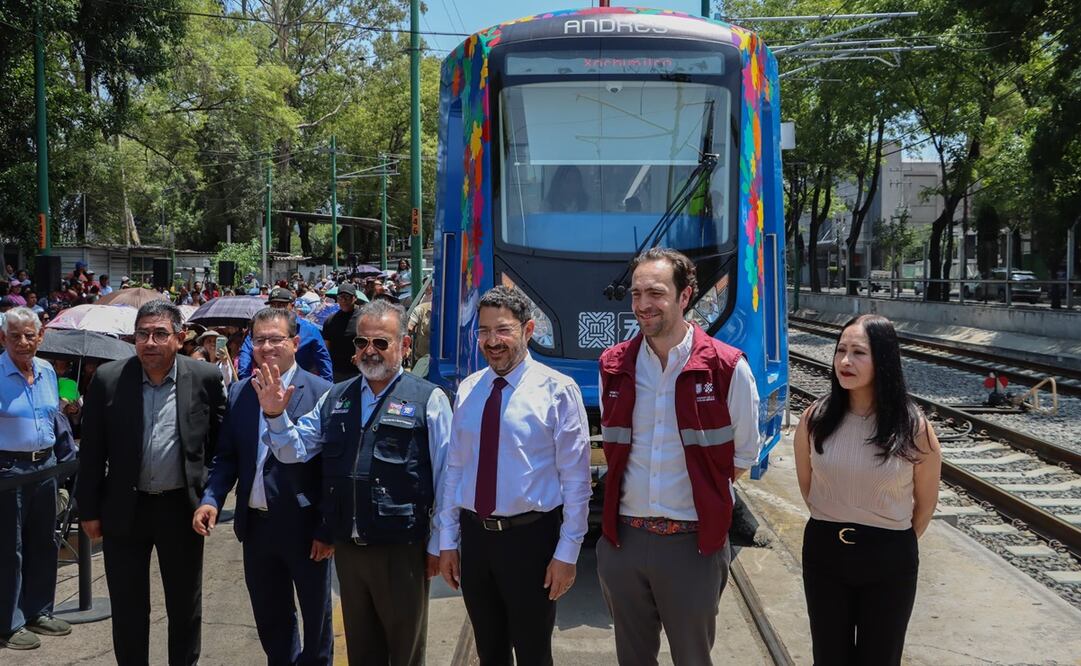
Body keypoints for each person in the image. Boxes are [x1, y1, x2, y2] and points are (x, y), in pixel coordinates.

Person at [257, 298, 451, 666]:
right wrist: (275, 415)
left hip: (402, 550)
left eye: (381, 342)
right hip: (348, 549)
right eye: (362, 342)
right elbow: (293, 450)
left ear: (404, 345)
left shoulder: (428, 399)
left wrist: (441, 543)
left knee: (405, 653)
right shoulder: (336, 397)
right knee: (362, 652)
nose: (369, 350)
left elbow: (447, 476)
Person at [596, 247, 761, 665]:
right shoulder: (613, 365)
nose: (643, 304)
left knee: (692, 658)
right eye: (636, 294)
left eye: (655, 292)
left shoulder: (726, 368)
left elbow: (741, 458)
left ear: (685, 296)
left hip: (693, 546)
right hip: (624, 543)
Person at [438, 286, 590, 666]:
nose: (492, 341)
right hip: (476, 540)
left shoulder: (558, 391)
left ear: (528, 329)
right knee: (490, 652)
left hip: (530, 542)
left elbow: (576, 481)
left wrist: (567, 553)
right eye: (484, 331)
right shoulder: (469, 389)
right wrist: (447, 540)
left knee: (534, 654)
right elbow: (455, 469)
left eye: (503, 330)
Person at [77, 300, 226, 666]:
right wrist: (88, 509)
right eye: (142, 334)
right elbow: (92, 450)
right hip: (124, 509)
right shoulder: (109, 379)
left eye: (160, 334)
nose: (150, 342)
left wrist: (207, 492)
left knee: (184, 604)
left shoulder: (205, 377)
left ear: (180, 337)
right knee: (128, 607)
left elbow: (219, 443)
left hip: (181, 509)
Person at [794, 314, 942, 665]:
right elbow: (808, 485)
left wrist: (886, 540)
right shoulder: (815, 419)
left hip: (889, 559)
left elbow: (925, 505)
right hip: (825, 552)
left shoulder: (914, 428)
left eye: (859, 352)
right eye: (840, 350)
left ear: (884, 360)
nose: (845, 361)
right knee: (828, 657)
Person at [193, 308, 334, 665]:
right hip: (256, 527)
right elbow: (226, 457)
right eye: (259, 340)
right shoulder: (241, 392)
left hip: (305, 529)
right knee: (272, 620)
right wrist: (211, 499)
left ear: (295, 343)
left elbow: (332, 471)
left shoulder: (322, 393)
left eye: (276, 339)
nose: (267, 347)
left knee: (317, 622)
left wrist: (326, 527)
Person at [0, 307, 72, 650]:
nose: (23, 342)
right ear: (3, 338)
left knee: (44, 542)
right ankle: (8, 623)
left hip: (46, 466)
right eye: (15, 336)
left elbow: (51, 418)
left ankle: (38, 611)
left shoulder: (46, 370)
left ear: (41, 337)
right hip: (7, 471)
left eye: (30, 335)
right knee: (8, 548)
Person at [236, 287, 333, 382]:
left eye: (282, 305)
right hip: (267, 382)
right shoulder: (261, 329)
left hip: (300, 385)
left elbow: (323, 360)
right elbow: (245, 354)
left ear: (292, 305)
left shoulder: (309, 330)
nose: (277, 309)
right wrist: (245, 381)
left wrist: (326, 387)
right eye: (273, 305)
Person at [321, 282, 365, 382]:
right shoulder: (330, 321)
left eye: (347, 297)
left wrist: (361, 353)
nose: (344, 301)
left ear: (355, 298)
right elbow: (326, 348)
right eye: (340, 297)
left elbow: (371, 340)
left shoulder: (364, 319)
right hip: (336, 372)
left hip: (358, 371)